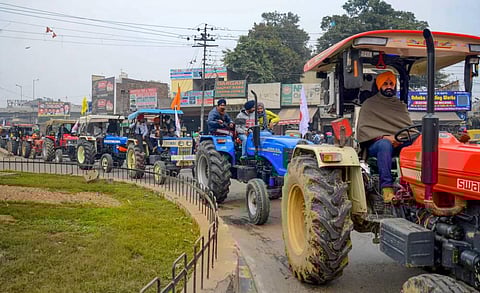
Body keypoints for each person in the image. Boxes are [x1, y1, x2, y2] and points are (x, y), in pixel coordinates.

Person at [357, 71, 413, 213]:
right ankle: (386, 188)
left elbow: (408, 128)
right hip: (376, 144)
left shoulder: (399, 105)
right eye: (385, 84)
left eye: (391, 84)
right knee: (385, 145)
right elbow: (364, 130)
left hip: (399, 141)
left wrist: (400, 138)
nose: (389, 87)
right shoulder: (369, 104)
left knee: (418, 141)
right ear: (379, 86)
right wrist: (384, 137)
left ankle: (413, 183)